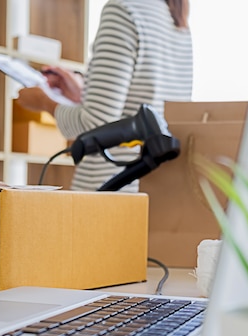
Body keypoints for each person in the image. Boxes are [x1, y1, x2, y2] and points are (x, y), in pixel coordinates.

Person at [16, 0, 193, 192]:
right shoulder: (175, 19)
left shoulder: (124, 11)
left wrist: (43, 101)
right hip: (150, 189)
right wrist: (83, 95)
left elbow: (95, 124)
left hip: (111, 187)